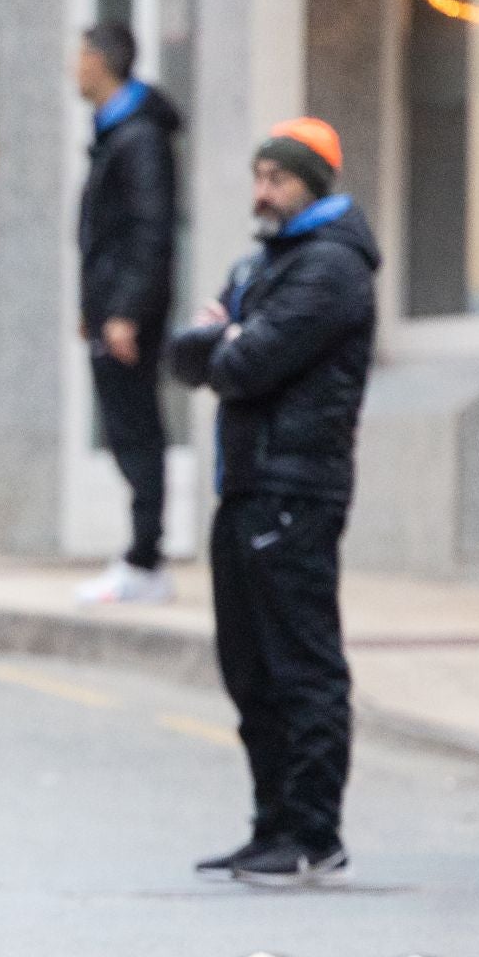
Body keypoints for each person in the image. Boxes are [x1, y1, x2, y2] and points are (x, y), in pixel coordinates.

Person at [168, 118, 378, 887]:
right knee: (249, 667)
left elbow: (248, 361)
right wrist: (216, 340)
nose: (262, 192)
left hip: (296, 487)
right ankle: (272, 827)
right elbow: (187, 354)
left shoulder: (331, 269)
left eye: (278, 179)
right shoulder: (264, 264)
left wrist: (226, 340)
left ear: (313, 184)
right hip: (248, 483)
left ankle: (315, 832)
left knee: (301, 664)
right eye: (258, 176)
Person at [74, 21, 183, 605]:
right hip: (114, 309)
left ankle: (145, 560)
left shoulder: (137, 138)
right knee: (127, 431)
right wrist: (94, 307)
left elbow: (148, 231)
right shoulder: (119, 134)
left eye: (81, 54)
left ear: (102, 61)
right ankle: (143, 555)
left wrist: (124, 312)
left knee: (137, 432)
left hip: (128, 314)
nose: (74, 66)